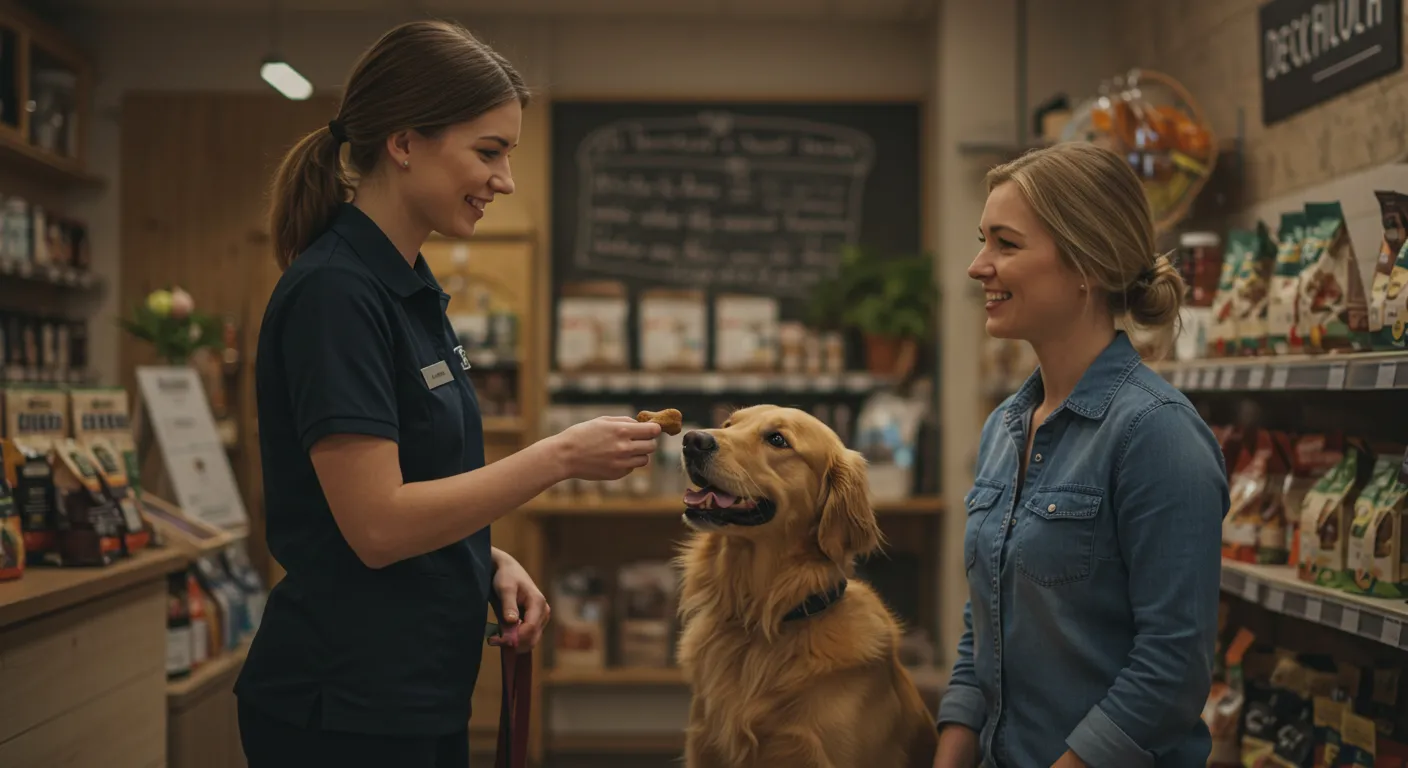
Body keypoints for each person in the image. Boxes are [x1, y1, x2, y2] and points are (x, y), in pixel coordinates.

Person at [234, 20, 663, 768]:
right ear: (404, 143)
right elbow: (377, 526)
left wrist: (482, 558)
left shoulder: (410, 288)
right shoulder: (336, 294)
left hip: (417, 694)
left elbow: (410, 488)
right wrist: (560, 457)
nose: (506, 180)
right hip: (345, 708)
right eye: (489, 152)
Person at [934, 142, 1229, 768]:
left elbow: (1172, 669)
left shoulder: (1158, 435)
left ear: (1085, 264)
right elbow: (983, 628)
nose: (978, 266)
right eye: (984, 241)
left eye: (1006, 244)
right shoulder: (1003, 429)